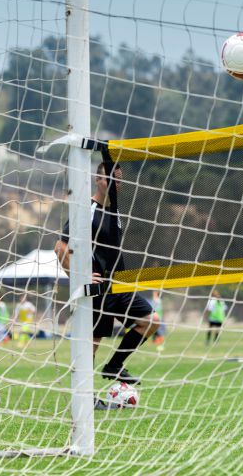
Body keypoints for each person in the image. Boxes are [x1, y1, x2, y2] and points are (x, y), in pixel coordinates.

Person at [55, 162, 160, 399]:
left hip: (119, 286)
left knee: (151, 321)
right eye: (109, 179)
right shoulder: (87, 209)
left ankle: (114, 366)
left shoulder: (115, 211)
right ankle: (87, 400)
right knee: (92, 344)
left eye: (119, 180)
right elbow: (60, 247)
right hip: (98, 290)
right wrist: (79, 278)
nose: (115, 184)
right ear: (97, 180)